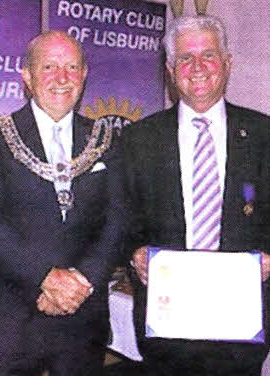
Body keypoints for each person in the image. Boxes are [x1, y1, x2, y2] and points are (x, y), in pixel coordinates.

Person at [0, 30, 126, 376]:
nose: (61, 78)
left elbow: (118, 221)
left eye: (72, 67)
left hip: (83, 319)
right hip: (13, 322)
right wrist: (46, 278)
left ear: (84, 75)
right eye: (49, 67)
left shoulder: (106, 138)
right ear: (26, 76)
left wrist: (82, 281)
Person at [121, 15, 269, 376]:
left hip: (241, 327)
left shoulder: (265, 134)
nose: (197, 67)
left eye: (209, 55)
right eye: (185, 58)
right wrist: (133, 252)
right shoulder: (138, 139)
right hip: (166, 327)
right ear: (171, 70)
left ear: (227, 63)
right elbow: (119, 217)